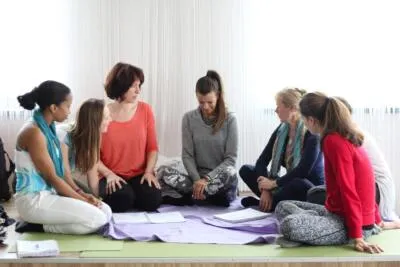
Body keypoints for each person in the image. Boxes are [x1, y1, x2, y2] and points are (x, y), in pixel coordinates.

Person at [275, 92, 383, 253]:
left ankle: (313, 228)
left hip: (351, 224)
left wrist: (358, 236)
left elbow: (349, 189)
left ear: (311, 120)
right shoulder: (340, 135)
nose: (303, 124)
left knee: (289, 225)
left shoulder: (333, 141)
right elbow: (365, 181)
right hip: (335, 213)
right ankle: (315, 224)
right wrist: (377, 219)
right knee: (282, 206)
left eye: (303, 120)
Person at [14, 81, 110, 234]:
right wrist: (84, 200)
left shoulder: (48, 129)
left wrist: (83, 194)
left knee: (106, 212)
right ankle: (38, 227)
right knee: (97, 219)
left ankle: (43, 224)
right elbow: (54, 178)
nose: (69, 112)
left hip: (49, 194)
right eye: (68, 106)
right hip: (33, 200)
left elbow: (61, 176)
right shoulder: (34, 133)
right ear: (53, 108)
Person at [158, 70, 238, 207]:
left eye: (210, 102)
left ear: (218, 96)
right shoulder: (188, 118)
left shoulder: (230, 119)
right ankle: (206, 196)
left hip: (218, 179)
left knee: (231, 173)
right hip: (195, 180)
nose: (205, 107)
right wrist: (197, 180)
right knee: (162, 171)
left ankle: (197, 196)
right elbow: (187, 155)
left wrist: (207, 179)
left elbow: (230, 159)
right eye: (201, 102)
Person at [239, 88, 324, 212]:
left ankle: (270, 204)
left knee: (298, 183)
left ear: (292, 108)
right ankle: (271, 202)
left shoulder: (311, 133)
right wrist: (266, 189)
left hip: (310, 188)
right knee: (246, 170)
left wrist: (273, 184)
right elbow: (262, 161)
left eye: (279, 106)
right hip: (288, 184)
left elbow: (303, 171)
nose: (276, 110)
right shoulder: (282, 129)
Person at [98, 62, 162, 212]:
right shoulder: (102, 113)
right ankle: (128, 195)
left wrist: (148, 171)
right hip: (110, 174)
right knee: (121, 200)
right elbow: (94, 156)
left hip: (138, 174)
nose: (138, 91)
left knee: (153, 200)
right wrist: (109, 175)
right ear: (121, 86)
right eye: (134, 86)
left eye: (139, 86)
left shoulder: (145, 110)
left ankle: (133, 194)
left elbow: (152, 148)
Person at [57, 98, 111, 198]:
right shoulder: (63, 135)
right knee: (85, 200)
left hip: (64, 180)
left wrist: (98, 201)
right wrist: (81, 194)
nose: (110, 120)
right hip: (52, 181)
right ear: (95, 121)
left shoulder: (92, 137)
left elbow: (93, 181)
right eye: (107, 118)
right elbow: (64, 174)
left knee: (97, 203)